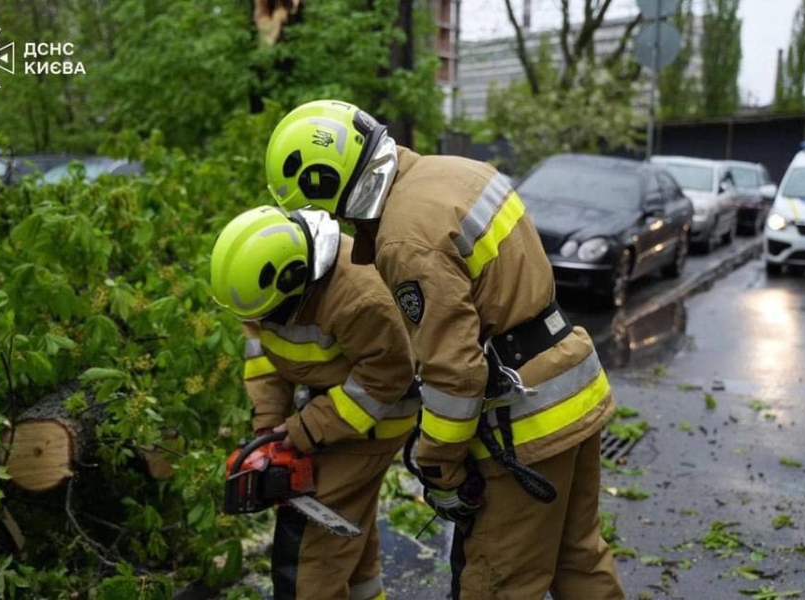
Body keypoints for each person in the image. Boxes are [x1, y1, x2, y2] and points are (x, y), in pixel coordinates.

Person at [263, 100, 626, 599]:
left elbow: (454, 374)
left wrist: (440, 469)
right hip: (572, 390)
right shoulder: (456, 171)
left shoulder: (403, 238)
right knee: (580, 559)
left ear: (331, 184)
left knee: (497, 583)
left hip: (525, 425)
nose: (340, 225)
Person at [209, 205, 418, 600]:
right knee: (349, 539)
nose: (261, 323)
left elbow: (387, 378)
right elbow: (263, 357)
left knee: (308, 560)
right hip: (323, 405)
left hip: (376, 417)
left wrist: (306, 429)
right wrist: (269, 426)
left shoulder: (359, 297)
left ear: (295, 278)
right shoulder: (262, 290)